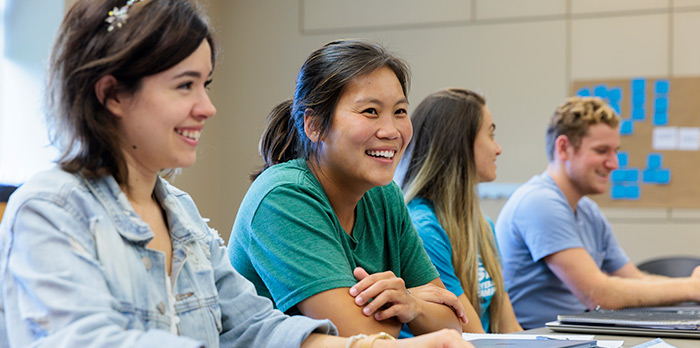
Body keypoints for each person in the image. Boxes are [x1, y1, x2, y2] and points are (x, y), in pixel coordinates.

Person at [0, 1, 472, 347]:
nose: (207, 107)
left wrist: (383, 346)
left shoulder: (180, 214)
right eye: (185, 86)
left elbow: (254, 326)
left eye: (205, 85)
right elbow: (89, 341)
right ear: (113, 94)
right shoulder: (50, 208)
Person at [228, 39, 465, 338]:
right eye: (370, 111)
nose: (391, 131)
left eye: (401, 112)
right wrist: (410, 313)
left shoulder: (384, 194)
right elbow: (360, 336)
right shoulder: (283, 197)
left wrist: (412, 305)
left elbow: (452, 322)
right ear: (314, 125)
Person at [495, 96, 700, 329]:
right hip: (538, 338)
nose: (614, 164)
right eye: (602, 151)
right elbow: (599, 295)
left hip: (577, 335)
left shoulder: (587, 210)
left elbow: (635, 280)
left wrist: (691, 285)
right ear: (564, 148)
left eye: (615, 151)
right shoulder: (539, 202)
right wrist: (690, 287)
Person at [397, 88, 522, 334]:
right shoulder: (423, 228)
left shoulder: (483, 227)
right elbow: (471, 334)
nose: (498, 149)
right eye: (490, 134)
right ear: (458, 144)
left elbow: (510, 328)